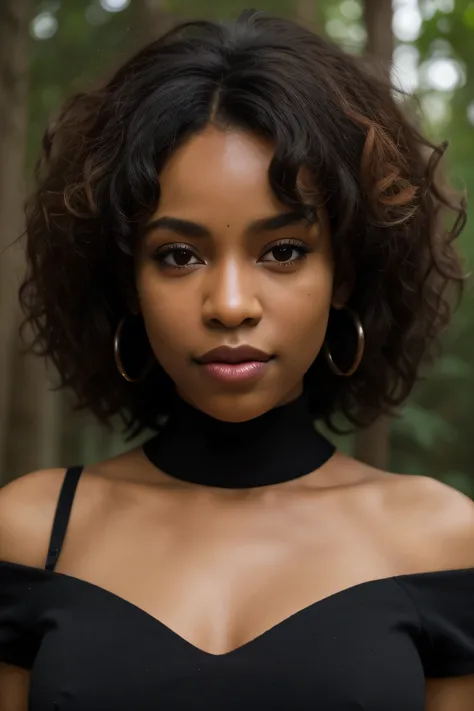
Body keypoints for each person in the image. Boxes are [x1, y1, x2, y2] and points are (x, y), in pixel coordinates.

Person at [0, 9, 473, 710]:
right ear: (127, 278)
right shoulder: (31, 532)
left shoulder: (444, 541)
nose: (228, 304)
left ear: (344, 273)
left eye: (282, 251)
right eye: (178, 254)